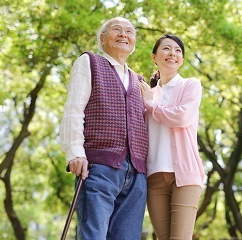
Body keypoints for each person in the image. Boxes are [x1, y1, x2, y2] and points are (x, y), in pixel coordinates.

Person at [59, 16, 149, 239]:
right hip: (99, 167)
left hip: (136, 174)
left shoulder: (138, 80)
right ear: (102, 38)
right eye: (116, 29)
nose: (123, 34)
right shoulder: (89, 62)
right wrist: (75, 152)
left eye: (129, 31)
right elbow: (74, 109)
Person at [139, 34, 205, 240]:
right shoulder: (147, 93)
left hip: (185, 176)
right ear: (154, 57)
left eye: (178, 51)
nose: (172, 54)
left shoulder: (190, 85)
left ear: (182, 60)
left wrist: (150, 104)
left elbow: (182, 116)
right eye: (166, 49)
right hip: (154, 178)